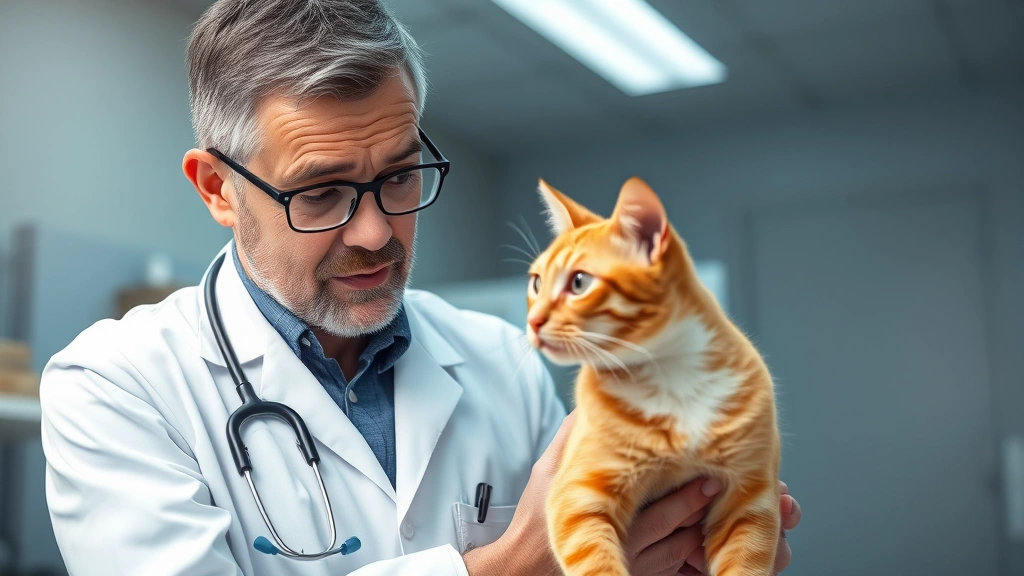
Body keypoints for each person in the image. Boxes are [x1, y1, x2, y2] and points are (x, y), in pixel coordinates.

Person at [39, 1, 801, 575]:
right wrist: (512, 564)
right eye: (322, 192)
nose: (375, 232)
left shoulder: (501, 361)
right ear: (216, 187)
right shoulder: (114, 387)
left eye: (400, 175)